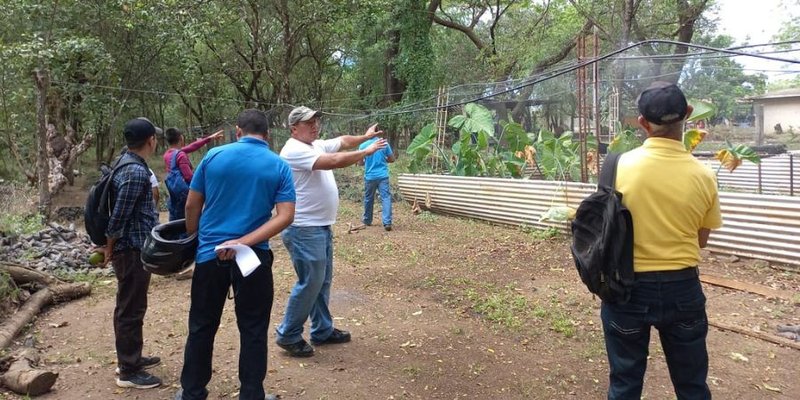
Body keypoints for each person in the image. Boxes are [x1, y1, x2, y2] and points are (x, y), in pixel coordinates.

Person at [601, 82, 722, 400]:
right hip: (683, 290)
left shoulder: (617, 166)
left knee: (625, 384)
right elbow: (702, 239)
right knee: (692, 385)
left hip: (626, 290)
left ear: (642, 122)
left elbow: (604, 228)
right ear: (688, 115)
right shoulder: (704, 175)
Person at [175, 109, 295, 400]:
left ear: (238, 131)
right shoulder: (279, 165)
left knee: (202, 326)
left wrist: (195, 237)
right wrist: (244, 241)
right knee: (253, 328)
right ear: (266, 135)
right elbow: (285, 216)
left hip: (209, 256)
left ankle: (192, 392)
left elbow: (192, 205)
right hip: (253, 259)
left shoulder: (214, 156)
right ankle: (252, 394)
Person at [275, 106, 386, 357]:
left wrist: (365, 137)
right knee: (310, 282)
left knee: (321, 282)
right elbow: (332, 162)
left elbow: (342, 142)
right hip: (304, 228)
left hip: (319, 226)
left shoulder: (314, 144)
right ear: (294, 128)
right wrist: (365, 152)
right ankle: (288, 334)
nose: (315, 125)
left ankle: (322, 330)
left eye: (316, 121)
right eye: (308, 123)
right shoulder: (293, 150)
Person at [97, 117, 163, 389]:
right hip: (131, 250)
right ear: (150, 140)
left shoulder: (126, 163)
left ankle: (131, 357)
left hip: (134, 247)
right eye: (154, 137)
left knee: (133, 305)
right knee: (130, 309)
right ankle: (128, 370)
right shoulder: (135, 172)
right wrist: (109, 248)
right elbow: (119, 218)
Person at [163, 128, 223, 220]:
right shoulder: (181, 155)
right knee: (187, 218)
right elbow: (189, 177)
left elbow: (192, 147)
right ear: (181, 138)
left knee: (175, 217)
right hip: (184, 193)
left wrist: (209, 138)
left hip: (174, 192)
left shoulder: (168, 154)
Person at [359, 137, 395, 230]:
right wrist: (384, 160)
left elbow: (360, 162)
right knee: (386, 198)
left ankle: (367, 220)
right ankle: (387, 222)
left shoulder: (363, 145)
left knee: (368, 198)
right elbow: (392, 159)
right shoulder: (384, 143)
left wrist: (367, 161)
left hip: (370, 176)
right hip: (383, 175)